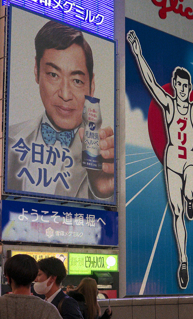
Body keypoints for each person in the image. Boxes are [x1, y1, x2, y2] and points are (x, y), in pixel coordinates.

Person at [127, 28, 193, 289]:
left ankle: (191, 197)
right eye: (178, 86)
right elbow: (149, 82)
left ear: (189, 87)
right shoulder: (169, 105)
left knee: (191, 189)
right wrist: (137, 53)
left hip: (190, 159)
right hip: (172, 160)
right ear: (174, 87)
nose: (182, 89)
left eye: (185, 86)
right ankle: (183, 259)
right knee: (177, 212)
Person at [7, 20, 115, 201]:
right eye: (54, 75)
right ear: (36, 70)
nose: (65, 95)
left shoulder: (107, 155)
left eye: (77, 81)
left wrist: (104, 194)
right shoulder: (10, 139)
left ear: (92, 85)